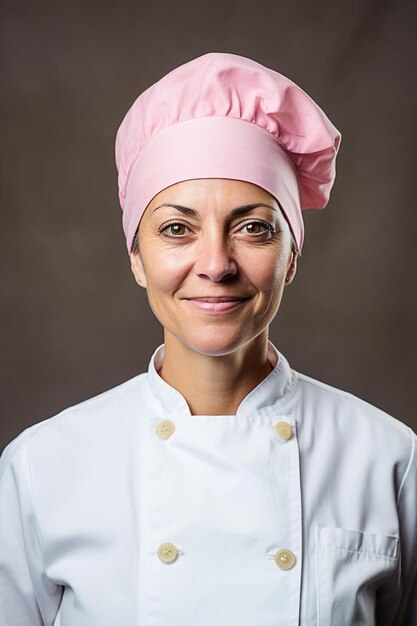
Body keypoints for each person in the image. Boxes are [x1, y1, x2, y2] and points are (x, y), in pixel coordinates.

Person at [0, 52, 415, 626]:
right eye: (177, 228)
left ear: (291, 256)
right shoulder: (41, 467)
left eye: (253, 228)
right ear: (137, 258)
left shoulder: (391, 460)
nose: (216, 265)